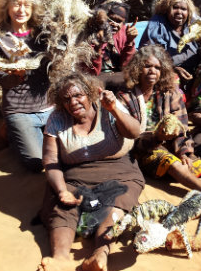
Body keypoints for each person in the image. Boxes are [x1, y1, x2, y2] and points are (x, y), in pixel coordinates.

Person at [39, 73, 144, 271]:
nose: (73, 102)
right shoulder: (57, 118)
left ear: (89, 94)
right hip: (75, 175)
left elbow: (134, 132)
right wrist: (62, 190)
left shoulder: (107, 107)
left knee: (116, 205)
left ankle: (100, 253)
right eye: (66, 99)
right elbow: (50, 160)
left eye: (78, 95)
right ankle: (60, 259)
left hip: (118, 171)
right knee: (63, 205)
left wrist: (113, 109)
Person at [118, 45, 201, 211]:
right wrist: (157, 138)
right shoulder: (125, 97)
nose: (152, 71)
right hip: (141, 147)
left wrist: (184, 152)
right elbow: (128, 136)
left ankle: (185, 176)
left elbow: (181, 125)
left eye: (157, 67)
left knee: (193, 164)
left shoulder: (170, 93)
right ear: (137, 68)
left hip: (169, 143)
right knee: (171, 162)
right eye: (147, 66)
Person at [0, 0, 52, 172]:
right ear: (7, 8)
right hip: (20, 109)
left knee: (69, 153)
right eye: (16, 5)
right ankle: (9, 129)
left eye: (27, 5)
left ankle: (24, 132)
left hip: (50, 105)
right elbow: (4, 81)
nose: (21, 10)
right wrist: (17, 76)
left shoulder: (45, 35)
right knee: (36, 163)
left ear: (33, 9)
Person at [139, 0, 201, 84]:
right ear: (166, 10)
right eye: (175, 8)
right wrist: (173, 70)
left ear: (188, 12)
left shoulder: (196, 25)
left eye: (183, 9)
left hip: (194, 75)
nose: (179, 12)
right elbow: (148, 58)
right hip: (165, 75)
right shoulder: (157, 26)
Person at [86, 0, 138, 91]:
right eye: (111, 19)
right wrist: (98, 47)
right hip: (95, 81)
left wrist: (129, 42)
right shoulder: (89, 34)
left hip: (118, 79)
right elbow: (90, 73)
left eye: (119, 21)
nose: (114, 24)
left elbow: (127, 67)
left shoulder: (123, 33)